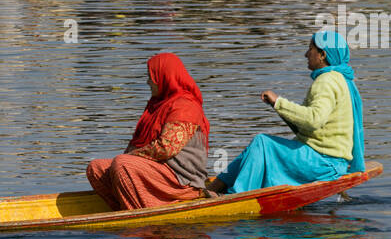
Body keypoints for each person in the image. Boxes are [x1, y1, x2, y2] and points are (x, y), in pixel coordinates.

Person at [207, 31, 365, 195]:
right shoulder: (340, 79)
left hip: (322, 163)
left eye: (310, 49)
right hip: (332, 162)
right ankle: (216, 186)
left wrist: (279, 102)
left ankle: (236, 194)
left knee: (262, 143)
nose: (306, 54)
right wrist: (278, 108)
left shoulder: (326, 81)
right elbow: (308, 128)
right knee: (255, 149)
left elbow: (313, 120)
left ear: (322, 55)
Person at [87, 53, 210, 210]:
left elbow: (167, 148)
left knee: (122, 164)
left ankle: (141, 212)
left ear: (164, 76)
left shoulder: (185, 105)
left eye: (151, 77)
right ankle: (127, 208)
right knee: (96, 167)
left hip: (181, 179)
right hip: (155, 170)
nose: (148, 82)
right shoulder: (157, 105)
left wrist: (127, 159)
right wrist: (124, 160)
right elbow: (137, 143)